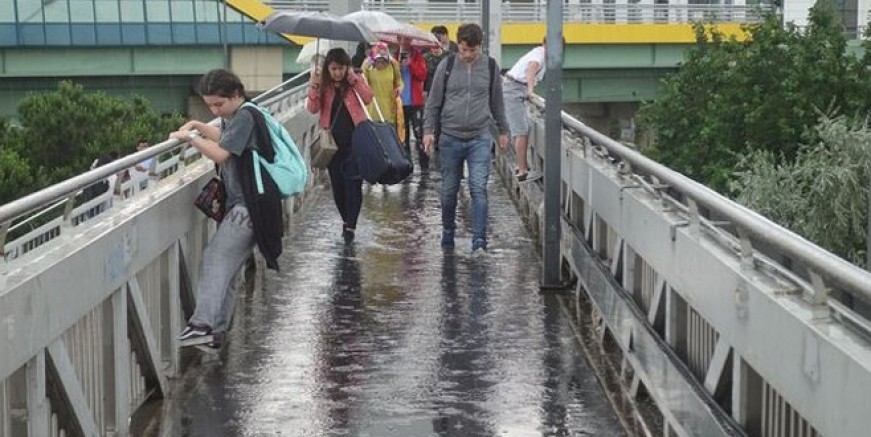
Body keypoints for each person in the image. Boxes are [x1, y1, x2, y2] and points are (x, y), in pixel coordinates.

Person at [170, 68, 284, 350]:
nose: (215, 110)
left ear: (236, 95)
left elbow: (221, 152)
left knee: (214, 259)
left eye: (218, 104)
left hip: (247, 208)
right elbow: (224, 136)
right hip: (251, 207)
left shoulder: (245, 116)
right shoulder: (243, 113)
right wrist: (197, 124)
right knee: (229, 270)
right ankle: (216, 332)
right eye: (210, 105)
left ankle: (202, 325)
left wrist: (191, 139)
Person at [423, 23, 510, 254]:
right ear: (458, 46)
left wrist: (503, 130)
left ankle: (479, 241)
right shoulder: (447, 65)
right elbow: (433, 102)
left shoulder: (490, 67)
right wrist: (428, 130)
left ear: (480, 47)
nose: (468, 55)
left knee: (478, 188)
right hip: (450, 137)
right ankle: (448, 232)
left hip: (479, 137)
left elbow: (497, 102)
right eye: (463, 50)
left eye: (472, 51)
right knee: (449, 190)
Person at [307, 48, 374, 243]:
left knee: (354, 184)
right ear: (328, 68)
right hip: (332, 145)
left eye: (341, 68)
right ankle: (346, 220)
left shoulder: (354, 82)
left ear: (347, 67)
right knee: (338, 187)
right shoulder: (323, 86)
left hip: (356, 142)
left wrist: (353, 77)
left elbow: (368, 98)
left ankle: (351, 226)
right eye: (334, 68)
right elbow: (312, 109)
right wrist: (314, 85)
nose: (337, 72)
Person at [503, 38, 549, 182]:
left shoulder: (539, 52)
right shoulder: (540, 55)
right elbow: (531, 69)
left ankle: (521, 166)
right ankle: (522, 170)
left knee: (524, 127)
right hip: (514, 89)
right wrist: (530, 91)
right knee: (521, 130)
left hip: (514, 87)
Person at [395, 37, 428, 170]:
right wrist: (397, 65)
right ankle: (407, 165)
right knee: (403, 137)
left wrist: (411, 64)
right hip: (400, 102)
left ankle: (424, 165)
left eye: (408, 39)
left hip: (415, 103)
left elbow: (423, 75)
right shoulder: (394, 56)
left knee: (419, 134)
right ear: (398, 40)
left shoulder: (417, 55)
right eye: (402, 39)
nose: (405, 42)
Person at [363, 47, 403, 129]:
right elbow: (362, 82)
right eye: (378, 60)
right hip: (373, 107)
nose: (381, 63)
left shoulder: (393, 65)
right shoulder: (368, 66)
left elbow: (399, 82)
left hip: (389, 107)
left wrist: (399, 89)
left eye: (384, 61)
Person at [424, 26, 453, 95]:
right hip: (430, 90)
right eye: (433, 44)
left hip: (446, 89)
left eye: (437, 43)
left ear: (440, 43)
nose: (435, 47)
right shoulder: (425, 57)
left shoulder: (449, 56)